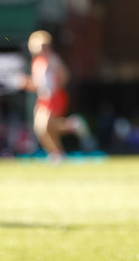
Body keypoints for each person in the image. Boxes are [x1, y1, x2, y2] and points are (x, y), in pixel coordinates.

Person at [19, 30, 89, 162]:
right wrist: (26, 83)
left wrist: (55, 89)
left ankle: (68, 132)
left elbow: (64, 74)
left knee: (45, 126)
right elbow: (38, 84)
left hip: (54, 97)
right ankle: (59, 150)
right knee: (42, 129)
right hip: (44, 98)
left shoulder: (52, 58)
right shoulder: (37, 62)